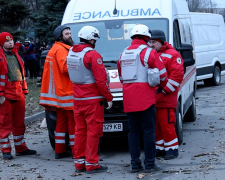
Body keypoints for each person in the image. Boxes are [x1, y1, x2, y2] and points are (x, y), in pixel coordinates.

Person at [117, 24, 168, 173]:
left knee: (133, 131)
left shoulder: (123, 53)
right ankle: (150, 163)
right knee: (148, 131)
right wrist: (159, 86)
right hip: (146, 98)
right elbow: (163, 75)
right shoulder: (149, 52)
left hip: (129, 98)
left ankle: (135, 164)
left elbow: (121, 77)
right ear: (147, 37)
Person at [67, 25, 113, 174]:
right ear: (92, 39)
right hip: (92, 100)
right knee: (93, 132)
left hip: (78, 99)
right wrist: (108, 97)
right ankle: (92, 163)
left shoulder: (71, 53)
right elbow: (101, 80)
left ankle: (79, 163)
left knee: (80, 131)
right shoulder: (92, 55)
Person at [39, 25, 75, 159]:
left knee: (61, 122)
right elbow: (65, 68)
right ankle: (76, 150)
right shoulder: (61, 49)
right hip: (66, 92)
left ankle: (59, 150)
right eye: (67, 33)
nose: (70, 35)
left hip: (60, 94)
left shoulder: (55, 48)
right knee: (73, 123)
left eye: (70, 33)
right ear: (60, 36)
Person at [0, 32, 37, 160]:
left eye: (11, 40)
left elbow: (21, 74)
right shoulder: (0, 57)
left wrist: (24, 90)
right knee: (5, 124)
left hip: (18, 93)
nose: (10, 42)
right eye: (7, 41)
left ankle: (21, 148)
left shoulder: (16, 55)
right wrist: (0, 95)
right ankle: (5, 150)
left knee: (19, 123)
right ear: (2, 43)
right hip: (6, 95)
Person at [149, 29, 184, 160]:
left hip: (166, 99)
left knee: (167, 126)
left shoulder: (173, 55)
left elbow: (176, 77)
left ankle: (172, 150)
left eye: (154, 42)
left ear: (161, 42)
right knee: (157, 127)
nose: (151, 44)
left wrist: (164, 91)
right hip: (155, 99)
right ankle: (160, 149)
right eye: (150, 42)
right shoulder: (153, 54)